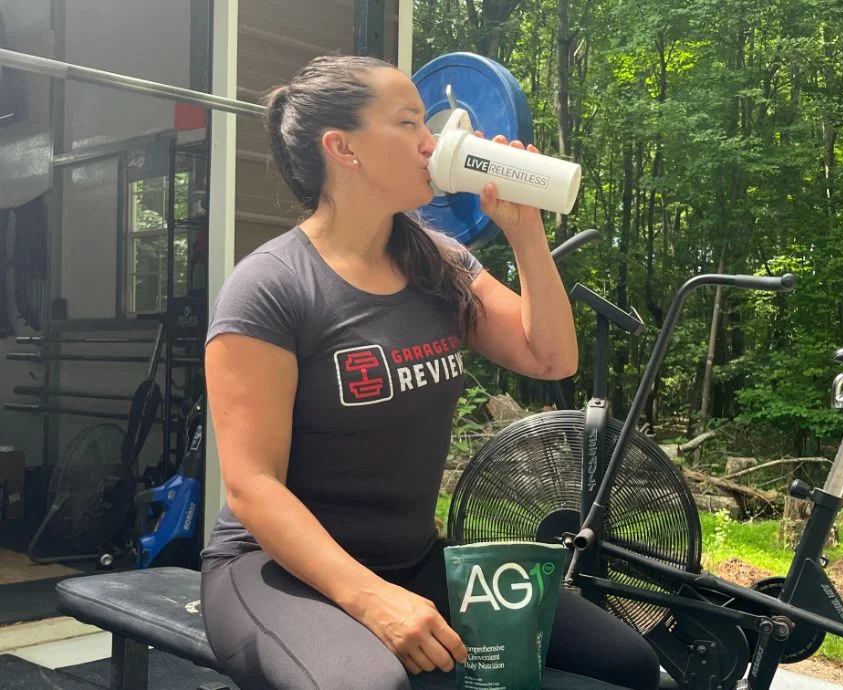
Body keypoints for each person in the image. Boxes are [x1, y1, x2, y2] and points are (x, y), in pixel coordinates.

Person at [199, 54, 661, 690]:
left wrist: (525, 231)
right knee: (376, 687)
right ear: (343, 148)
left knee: (629, 665)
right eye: (409, 123)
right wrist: (372, 600)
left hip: (412, 560)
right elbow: (252, 486)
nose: (432, 140)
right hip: (276, 569)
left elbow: (551, 357)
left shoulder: (439, 261)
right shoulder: (270, 286)